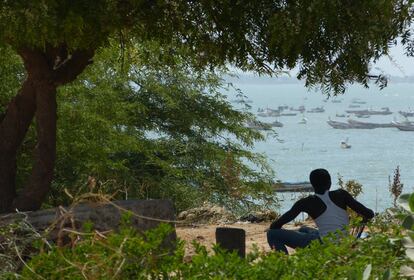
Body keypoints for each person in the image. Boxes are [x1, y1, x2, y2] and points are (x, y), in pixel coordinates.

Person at [267, 168, 374, 254]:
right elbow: (369, 213)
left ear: (312, 185)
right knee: (304, 229)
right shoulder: (342, 195)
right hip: (344, 242)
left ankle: (284, 263)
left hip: (323, 244)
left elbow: (275, 226)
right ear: (330, 183)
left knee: (272, 234)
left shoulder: (306, 202)